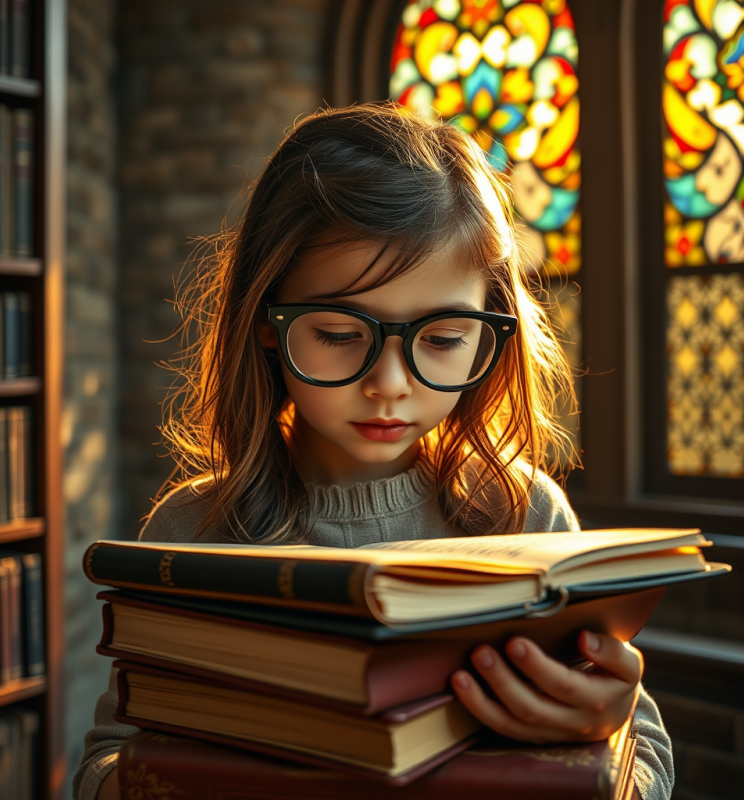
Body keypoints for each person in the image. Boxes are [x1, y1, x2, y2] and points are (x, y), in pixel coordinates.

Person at [74, 102, 673, 800]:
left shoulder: (525, 514)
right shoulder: (194, 532)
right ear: (267, 321)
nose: (388, 386)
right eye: (337, 333)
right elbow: (105, 766)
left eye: (444, 339)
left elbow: (650, 764)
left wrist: (603, 734)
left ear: (490, 329)